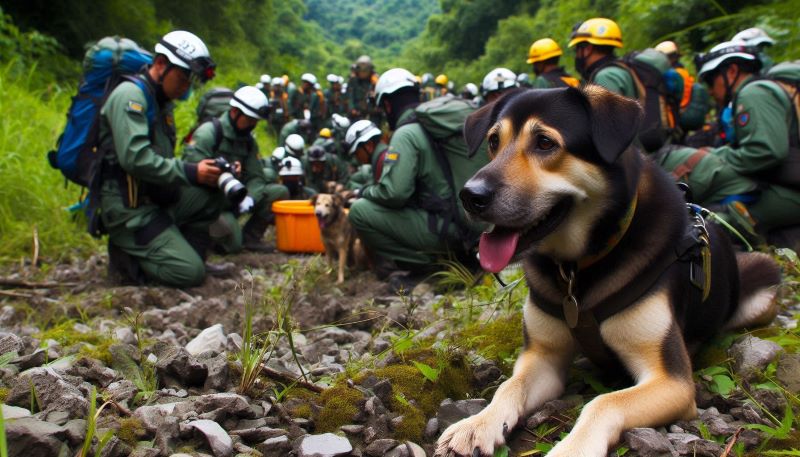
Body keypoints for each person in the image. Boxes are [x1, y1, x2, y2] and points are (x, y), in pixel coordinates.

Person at [98, 30, 221, 287]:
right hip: (129, 208)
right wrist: (189, 171)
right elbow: (136, 158)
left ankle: (183, 249)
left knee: (211, 194)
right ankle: (126, 261)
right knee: (190, 273)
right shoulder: (130, 96)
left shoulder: (162, 104)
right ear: (161, 64)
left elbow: (162, 158)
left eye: (191, 80)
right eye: (183, 77)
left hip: (155, 197)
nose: (186, 86)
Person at [348, 68, 466, 285]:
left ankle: (432, 267)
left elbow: (395, 193)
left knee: (359, 211)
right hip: (468, 224)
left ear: (387, 105)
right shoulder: (434, 124)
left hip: (446, 228)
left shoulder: (406, 133)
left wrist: (365, 191)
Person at [694, 41, 800, 233]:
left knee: (718, 219)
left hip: (792, 191)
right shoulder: (766, 90)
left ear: (732, 71)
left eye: (710, 80)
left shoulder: (753, 93)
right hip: (789, 183)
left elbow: (767, 151)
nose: (709, 90)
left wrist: (716, 156)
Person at [182, 86, 289, 253]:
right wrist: (225, 173)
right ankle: (205, 235)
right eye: (250, 119)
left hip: (236, 198)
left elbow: (256, 176)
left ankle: (251, 238)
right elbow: (193, 175)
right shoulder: (208, 133)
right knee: (233, 245)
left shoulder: (248, 141)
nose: (253, 125)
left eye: (256, 121)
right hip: (212, 200)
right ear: (234, 112)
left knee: (278, 192)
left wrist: (250, 199)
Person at [344, 119, 384, 190]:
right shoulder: (379, 159)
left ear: (369, 145)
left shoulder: (384, 160)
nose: (357, 158)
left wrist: (362, 192)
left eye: (357, 153)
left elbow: (391, 193)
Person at [346, 55, 380, 122]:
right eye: (360, 70)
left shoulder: (375, 80)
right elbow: (350, 96)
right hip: (357, 113)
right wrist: (352, 109)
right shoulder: (353, 80)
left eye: (365, 70)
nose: (362, 72)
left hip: (373, 113)